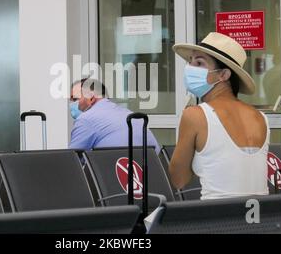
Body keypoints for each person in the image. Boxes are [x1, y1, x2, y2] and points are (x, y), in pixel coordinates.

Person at [169, 32, 269, 200]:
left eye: (199, 63)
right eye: (190, 62)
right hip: (259, 219)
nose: (190, 68)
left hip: (217, 218)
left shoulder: (195, 115)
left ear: (223, 75)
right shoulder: (260, 117)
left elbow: (179, 179)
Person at [69, 78, 161, 153]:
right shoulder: (129, 114)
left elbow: (72, 162)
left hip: (115, 173)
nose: (72, 104)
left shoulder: (86, 120)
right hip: (151, 173)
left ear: (91, 98)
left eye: (75, 99)